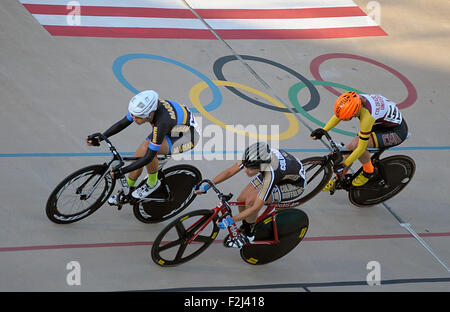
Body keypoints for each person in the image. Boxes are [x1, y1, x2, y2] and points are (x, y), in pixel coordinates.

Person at [86, 90, 199, 205]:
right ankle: (126, 191)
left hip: (187, 137)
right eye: (133, 115)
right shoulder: (145, 110)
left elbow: (149, 157)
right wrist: (101, 137)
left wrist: (122, 171)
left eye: (137, 117)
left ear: (150, 114)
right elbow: (122, 123)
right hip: (173, 128)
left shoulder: (162, 122)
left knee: (147, 151)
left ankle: (152, 183)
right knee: (138, 155)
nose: (133, 119)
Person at [195, 142, 306, 248]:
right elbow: (230, 171)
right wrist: (210, 184)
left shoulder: (270, 175)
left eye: (250, 169)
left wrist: (231, 220)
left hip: (294, 184)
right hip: (281, 170)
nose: (245, 170)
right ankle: (248, 223)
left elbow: (255, 207)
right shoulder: (254, 156)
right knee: (242, 199)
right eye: (245, 166)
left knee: (251, 202)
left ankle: (249, 235)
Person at [311, 91, 408, 190]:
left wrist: (344, 164)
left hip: (396, 132)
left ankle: (369, 171)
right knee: (349, 148)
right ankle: (339, 179)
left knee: (358, 146)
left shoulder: (367, 117)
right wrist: (323, 130)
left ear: (354, 112)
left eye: (346, 118)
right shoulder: (354, 101)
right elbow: (339, 115)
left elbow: (361, 148)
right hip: (382, 123)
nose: (343, 119)